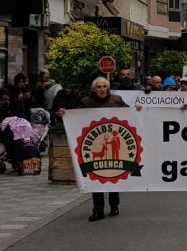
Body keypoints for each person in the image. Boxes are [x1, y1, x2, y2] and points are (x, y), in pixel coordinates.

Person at [60, 77, 141, 222]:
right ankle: (98, 210)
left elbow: (130, 113)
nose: (102, 89)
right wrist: (64, 114)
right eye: (99, 87)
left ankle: (114, 204)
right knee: (97, 177)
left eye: (104, 86)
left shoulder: (117, 100)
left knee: (114, 174)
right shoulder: (85, 102)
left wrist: (138, 109)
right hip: (95, 143)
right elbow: (76, 117)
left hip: (116, 143)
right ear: (94, 89)